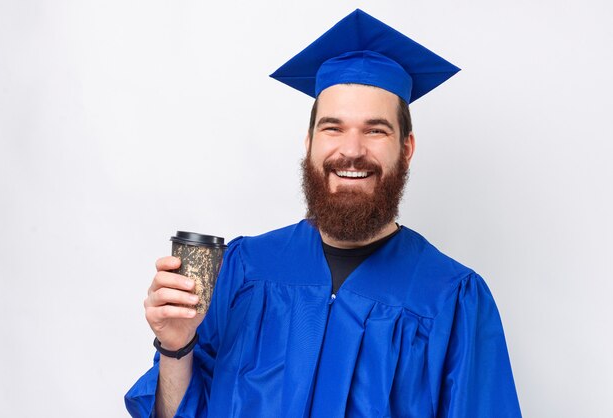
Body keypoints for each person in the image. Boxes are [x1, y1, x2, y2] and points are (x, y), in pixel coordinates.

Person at [125, 9, 521, 418]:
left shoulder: (451, 300)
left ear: (406, 148)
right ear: (309, 141)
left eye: (375, 129)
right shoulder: (241, 270)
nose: (351, 150)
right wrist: (176, 346)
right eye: (333, 127)